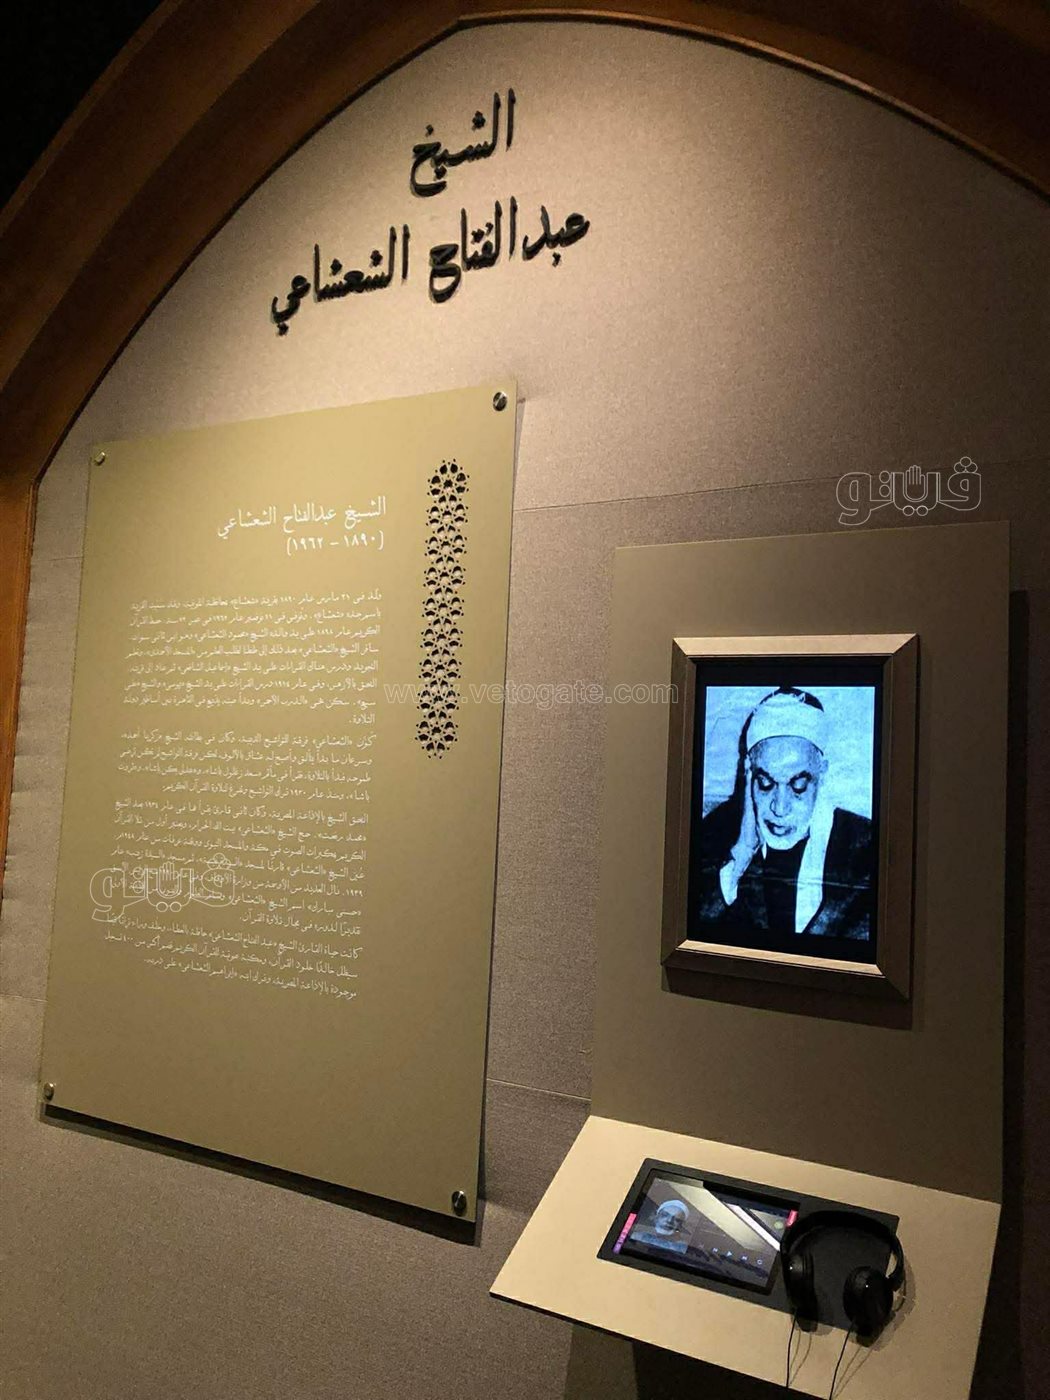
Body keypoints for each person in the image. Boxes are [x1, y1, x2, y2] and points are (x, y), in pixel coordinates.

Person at [689, 687, 873, 942]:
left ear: (821, 774)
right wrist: (740, 858)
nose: (779, 807)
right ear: (749, 774)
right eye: (765, 784)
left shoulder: (865, 847)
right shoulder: (715, 833)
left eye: (798, 786)